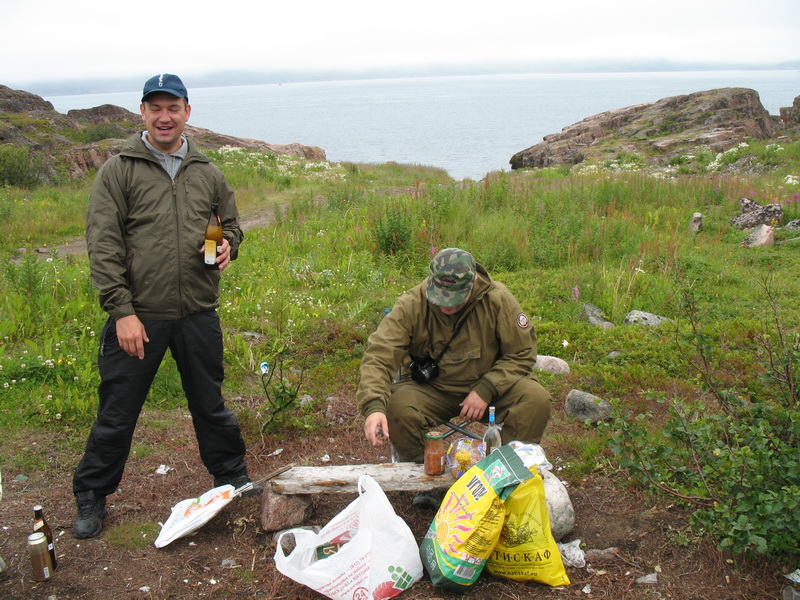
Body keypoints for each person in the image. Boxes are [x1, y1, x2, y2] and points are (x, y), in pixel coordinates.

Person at [72, 73, 257, 539]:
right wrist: (123, 313)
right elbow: (104, 245)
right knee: (118, 411)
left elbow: (228, 224)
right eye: (155, 108)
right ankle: (91, 495)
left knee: (210, 404)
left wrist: (226, 243)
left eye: (172, 107)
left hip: (197, 311)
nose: (164, 117)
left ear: (187, 112)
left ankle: (231, 476)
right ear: (142, 113)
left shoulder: (207, 171)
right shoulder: (119, 170)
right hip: (141, 316)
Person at [357, 248, 551, 506]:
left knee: (535, 400)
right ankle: (428, 482)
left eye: (455, 299)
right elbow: (379, 355)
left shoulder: (497, 300)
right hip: (433, 390)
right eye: (441, 298)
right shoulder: (412, 304)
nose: (447, 306)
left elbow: (522, 353)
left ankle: (506, 479)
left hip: (490, 388)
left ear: (472, 285)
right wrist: (373, 406)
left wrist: (487, 388)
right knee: (397, 408)